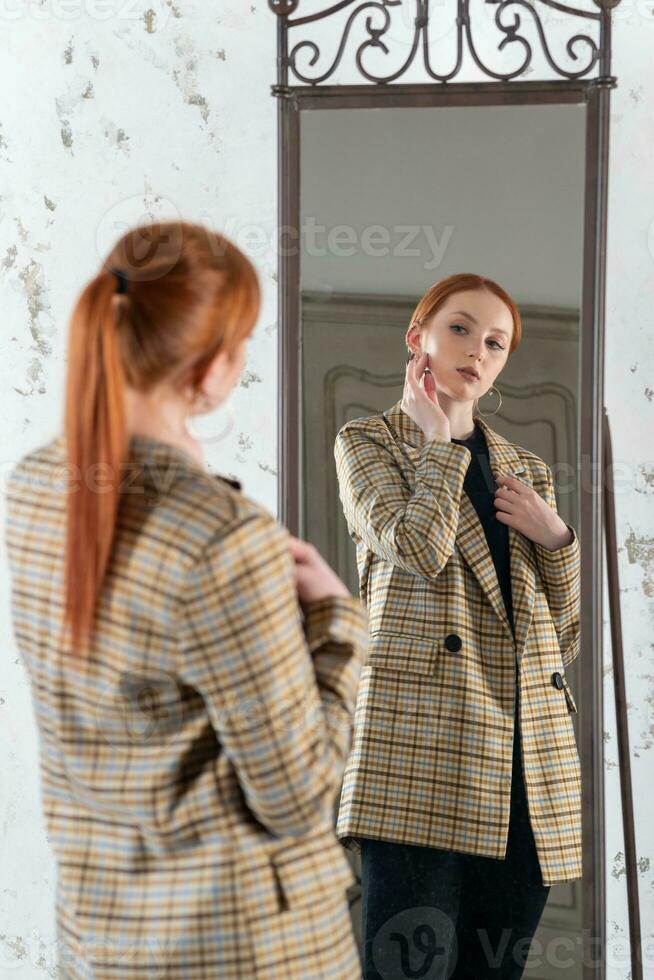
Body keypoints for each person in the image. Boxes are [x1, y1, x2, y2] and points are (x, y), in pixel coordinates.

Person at [4, 219, 369, 979]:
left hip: (103, 938)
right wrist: (337, 621)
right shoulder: (222, 540)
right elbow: (297, 796)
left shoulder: (34, 487)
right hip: (239, 949)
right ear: (208, 374)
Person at [333, 273, 582, 979]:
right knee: (409, 970)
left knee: (492, 971)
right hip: (421, 749)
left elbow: (560, 631)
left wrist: (558, 538)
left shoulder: (525, 469)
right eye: (462, 329)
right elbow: (416, 549)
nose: (478, 350)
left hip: (527, 757)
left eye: (496, 342)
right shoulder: (368, 442)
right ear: (419, 339)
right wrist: (439, 444)